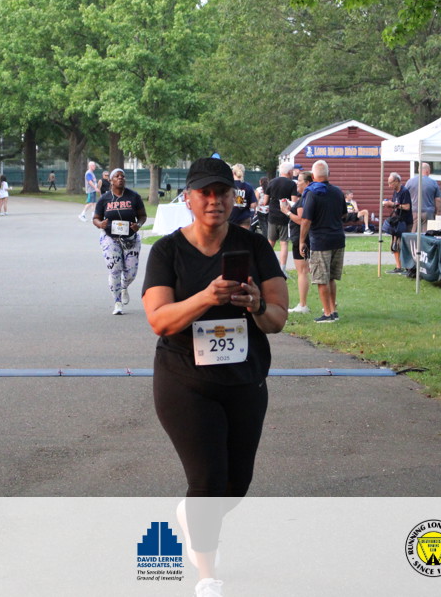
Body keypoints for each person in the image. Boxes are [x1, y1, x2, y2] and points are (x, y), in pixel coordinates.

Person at [141, 157, 287, 597]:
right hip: (185, 381)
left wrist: (257, 304)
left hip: (244, 380)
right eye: (204, 193)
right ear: (188, 198)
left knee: (235, 485)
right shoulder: (167, 251)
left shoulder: (254, 246)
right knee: (206, 481)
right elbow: (159, 320)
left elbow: (278, 320)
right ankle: (207, 573)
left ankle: (192, 518)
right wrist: (206, 297)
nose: (213, 201)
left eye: (221, 192)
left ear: (233, 196)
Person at [93, 168, 148, 316]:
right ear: (110, 180)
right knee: (115, 270)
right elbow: (96, 218)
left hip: (130, 238)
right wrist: (100, 224)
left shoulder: (134, 197)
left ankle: (123, 287)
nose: (120, 178)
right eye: (117, 176)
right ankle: (117, 302)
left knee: (131, 273)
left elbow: (142, 216)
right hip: (110, 238)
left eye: (122, 176)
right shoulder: (104, 199)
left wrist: (138, 225)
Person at [298, 160, 346, 323]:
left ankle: (327, 314)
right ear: (328, 174)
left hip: (321, 241)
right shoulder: (338, 192)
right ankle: (333, 311)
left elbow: (306, 220)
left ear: (312, 176)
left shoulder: (313, 193)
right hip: (338, 239)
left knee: (321, 279)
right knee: (331, 277)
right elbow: (344, 214)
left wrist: (302, 241)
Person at [281, 170, 313, 313]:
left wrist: (287, 212)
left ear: (307, 183)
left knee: (302, 271)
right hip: (305, 237)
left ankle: (303, 304)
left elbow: (302, 220)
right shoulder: (309, 197)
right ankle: (330, 303)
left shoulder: (304, 199)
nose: (297, 183)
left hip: (301, 238)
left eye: (299, 180)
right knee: (311, 270)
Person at [265, 161, 298, 272]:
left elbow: (265, 201)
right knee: (284, 243)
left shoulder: (272, 182)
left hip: (272, 216)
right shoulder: (292, 184)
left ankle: (264, 265)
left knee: (270, 242)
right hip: (285, 217)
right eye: (292, 171)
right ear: (289, 172)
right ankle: (282, 269)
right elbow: (294, 202)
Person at [383, 172, 412, 274]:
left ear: (396, 181)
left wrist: (393, 204)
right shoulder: (395, 192)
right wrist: (389, 205)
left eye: (390, 183)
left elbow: (407, 207)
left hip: (405, 222)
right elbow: (395, 205)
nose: (389, 185)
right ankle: (398, 267)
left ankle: (409, 268)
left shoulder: (405, 191)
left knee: (404, 245)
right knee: (394, 244)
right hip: (397, 222)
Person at [404, 162, 439, 232]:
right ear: (427, 171)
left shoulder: (409, 182)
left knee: (413, 232)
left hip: (414, 211)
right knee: (428, 234)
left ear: (418, 170)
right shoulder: (433, 183)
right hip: (428, 212)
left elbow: (405, 197)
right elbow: (438, 200)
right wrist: (437, 213)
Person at [229, 163, 256, 230]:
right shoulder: (248, 187)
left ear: (233, 173)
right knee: (243, 236)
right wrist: (251, 214)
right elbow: (253, 204)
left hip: (230, 216)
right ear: (244, 173)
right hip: (244, 217)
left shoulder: (228, 185)